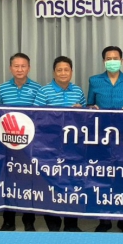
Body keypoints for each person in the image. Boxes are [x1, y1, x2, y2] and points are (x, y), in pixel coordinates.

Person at [87, 46, 123, 233]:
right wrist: (90, 108)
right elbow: (89, 104)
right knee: (102, 177)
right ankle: (104, 220)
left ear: (122, 61)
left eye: (115, 58)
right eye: (109, 58)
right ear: (104, 61)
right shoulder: (94, 81)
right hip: (101, 138)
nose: (112, 61)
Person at [33, 56, 86, 232]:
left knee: (73, 183)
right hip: (49, 146)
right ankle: (53, 226)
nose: (63, 73)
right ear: (54, 72)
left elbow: (86, 120)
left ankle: (71, 224)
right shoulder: (44, 92)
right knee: (51, 185)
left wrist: (81, 112)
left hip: (73, 147)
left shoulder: (78, 91)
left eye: (66, 70)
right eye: (59, 70)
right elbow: (35, 117)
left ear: (71, 72)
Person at [0, 53, 42, 232]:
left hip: (30, 142)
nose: (20, 69)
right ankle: (8, 220)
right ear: (10, 68)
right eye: (16, 66)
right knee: (8, 181)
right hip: (8, 143)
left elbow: (39, 114)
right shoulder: (2, 88)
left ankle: (28, 220)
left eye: (23, 66)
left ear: (29, 68)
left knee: (28, 181)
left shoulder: (38, 88)